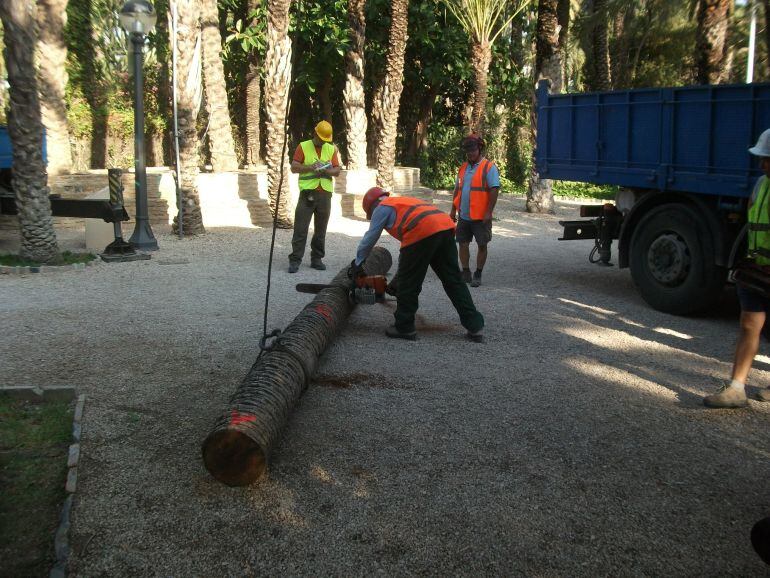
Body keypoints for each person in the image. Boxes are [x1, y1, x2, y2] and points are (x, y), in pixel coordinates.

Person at [351, 187, 485, 342]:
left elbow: (370, 238)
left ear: (372, 206)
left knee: (409, 284)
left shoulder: (382, 208)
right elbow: (410, 257)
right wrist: (396, 281)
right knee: (453, 280)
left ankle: (404, 327)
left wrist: (358, 263)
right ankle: (475, 326)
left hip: (422, 231)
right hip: (445, 228)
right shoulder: (401, 202)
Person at [704, 128, 770, 408]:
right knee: (748, 325)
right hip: (758, 271)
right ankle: (736, 389)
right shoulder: (760, 185)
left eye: (767, 158)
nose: (762, 163)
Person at [288, 120, 342, 273]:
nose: (323, 142)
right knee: (300, 228)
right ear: (315, 133)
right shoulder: (303, 146)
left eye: (325, 140)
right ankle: (295, 260)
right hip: (307, 193)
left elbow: (337, 170)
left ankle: (316, 259)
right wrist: (310, 168)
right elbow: (294, 167)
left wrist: (326, 171)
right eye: (321, 139)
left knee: (321, 229)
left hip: (325, 193)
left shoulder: (331, 149)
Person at [449, 134, 500, 288]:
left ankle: (478, 273)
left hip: (480, 217)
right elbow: (457, 189)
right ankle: (465, 272)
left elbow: (494, 189)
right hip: (464, 215)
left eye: (473, 150)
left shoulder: (489, 167)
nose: (470, 153)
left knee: (482, 245)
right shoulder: (463, 167)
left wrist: (488, 212)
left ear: (479, 149)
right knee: (462, 244)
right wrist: (453, 209)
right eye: (468, 151)